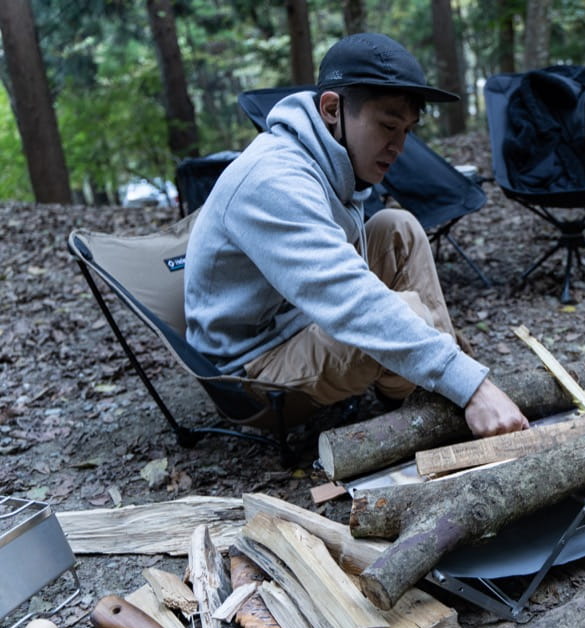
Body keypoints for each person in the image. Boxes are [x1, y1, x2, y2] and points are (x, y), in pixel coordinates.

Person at [184, 33, 529, 437]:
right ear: (332, 108)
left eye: (407, 129)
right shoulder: (273, 181)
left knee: (397, 227)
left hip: (301, 318)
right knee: (409, 312)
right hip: (253, 370)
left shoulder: (330, 159)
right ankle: (447, 395)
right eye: (387, 125)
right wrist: (471, 385)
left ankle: (429, 390)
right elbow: (349, 300)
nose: (398, 146)